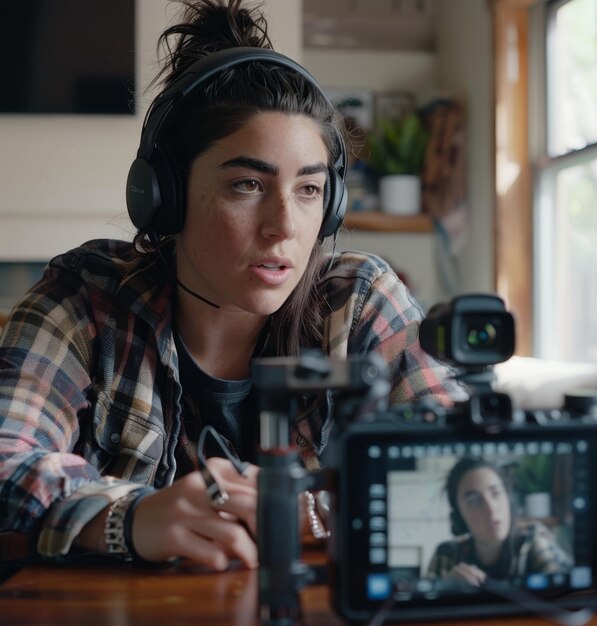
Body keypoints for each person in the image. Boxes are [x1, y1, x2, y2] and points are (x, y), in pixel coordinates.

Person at [0, 0, 462, 571]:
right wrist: (129, 518)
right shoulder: (84, 300)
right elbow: (5, 456)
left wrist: (317, 511)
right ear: (162, 196)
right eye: (247, 184)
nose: (285, 227)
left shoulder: (360, 300)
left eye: (310, 190)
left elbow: (464, 466)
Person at [427, 456, 573, 586]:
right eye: (473, 501)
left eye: (496, 493)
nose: (491, 509)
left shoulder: (532, 539)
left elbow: (567, 586)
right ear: (459, 515)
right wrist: (445, 589)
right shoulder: (446, 555)